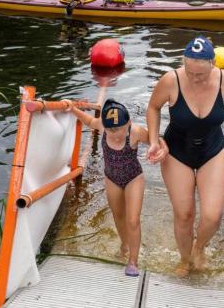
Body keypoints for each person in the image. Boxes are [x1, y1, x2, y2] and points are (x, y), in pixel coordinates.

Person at [146, 36, 224, 277]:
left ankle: (198, 248)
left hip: (212, 151)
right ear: (184, 63)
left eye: (201, 75)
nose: (195, 79)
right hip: (177, 152)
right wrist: (153, 140)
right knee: (184, 214)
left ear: (213, 64)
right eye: (191, 73)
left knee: (212, 216)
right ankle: (185, 260)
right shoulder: (171, 80)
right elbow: (153, 107)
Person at [65, 98, 168, 276]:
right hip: (111, 178)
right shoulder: (103, 127)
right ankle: (124, 244)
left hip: (133, 178)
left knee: (133, 220)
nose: (115, 134)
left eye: (119, 129)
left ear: (128, 123)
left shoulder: (135, 132)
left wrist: (161, 149)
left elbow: (156, 139)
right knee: (118, 215)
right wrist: (72, 109)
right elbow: (89, 121)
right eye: (110, 129)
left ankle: (133, 261)